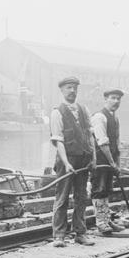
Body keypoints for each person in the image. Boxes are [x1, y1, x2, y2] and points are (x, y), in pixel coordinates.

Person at [49, 76, 95, 247]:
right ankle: (59, 235)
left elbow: (90, 135)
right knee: (62, 197)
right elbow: (58, 140)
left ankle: (80, 233)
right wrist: (67, 163)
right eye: (68, 87)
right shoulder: (57, 112)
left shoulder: (84, 109)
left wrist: (93, 158)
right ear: (62, 90)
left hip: (83, 159)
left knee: (81, 197)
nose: (72, 91)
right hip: (65, 160)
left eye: (75, 87)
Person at [91, 89, 126, 235]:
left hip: (110, 161)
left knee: (106, 191)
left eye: (118, 99)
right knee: (99, 190)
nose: (116, 101)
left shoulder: (115, 118)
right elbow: (102, 143)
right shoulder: (99, 117)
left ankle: (106, 220)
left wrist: (118, 163)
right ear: (105, 99)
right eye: (113, 98)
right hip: (100, 161)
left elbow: (116, 143)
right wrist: (112, 163)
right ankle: (101, 223)